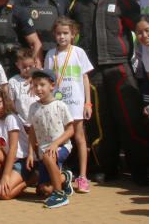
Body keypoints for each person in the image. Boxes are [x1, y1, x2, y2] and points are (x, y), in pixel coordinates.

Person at [66, 0, 149, 185]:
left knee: (131, 119)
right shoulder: (77, 3)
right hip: (91, 72)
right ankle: (105, 168)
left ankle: (139, 171)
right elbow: (68, 31)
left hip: (120, 67)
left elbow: (140, 25)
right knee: (100, 124)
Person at [44, 17, 93, 193]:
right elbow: (48, 80)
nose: (62, 37)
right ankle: (58, 173)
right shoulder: (51, 54)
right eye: (58, 33)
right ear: (54, 35)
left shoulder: (78, 52)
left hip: (76, 102)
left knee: (79, 137)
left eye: (66, 33)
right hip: (58, 103)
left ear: (73, 35)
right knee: (57, 138)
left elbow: (85, 78)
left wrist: (88, 102)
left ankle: (83, 176)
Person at [27, 68, 75, 209]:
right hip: (43, 151)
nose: (38, 88)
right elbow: (32, 131)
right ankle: (65, 177)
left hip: (61, 147)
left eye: (42, 84)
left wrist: (55, 144)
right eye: (35, 85)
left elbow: (71, 129)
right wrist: (31, 152)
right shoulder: (33, 108)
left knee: (49, 156)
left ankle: (60, 195)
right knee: (44, 190)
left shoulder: (60, 105)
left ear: (52, 86)